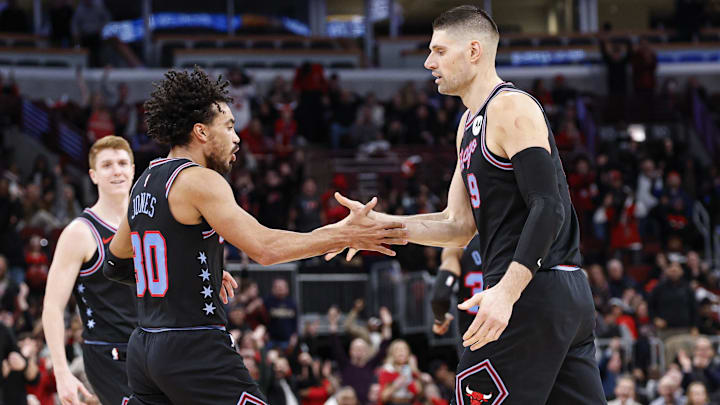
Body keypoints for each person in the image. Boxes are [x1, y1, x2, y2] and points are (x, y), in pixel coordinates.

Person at [328, 6, 604, 404]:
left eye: (439, 51)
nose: (428, 62)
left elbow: (549, 206)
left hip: (530, 292)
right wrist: (379, 225)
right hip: (558, 298)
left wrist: (506, 292)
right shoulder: (467, 124)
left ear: (474, 51)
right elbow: (457, 225)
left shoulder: (511, 106)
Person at [103, 68, 407, 405]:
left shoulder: (144, 181)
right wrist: (342, 235)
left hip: (145, 349)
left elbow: (115, 264)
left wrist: (187, 274)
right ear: (201, 132)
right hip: (192, 346)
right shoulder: (201, 180)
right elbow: (265, 248)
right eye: (229, 126)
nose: (237, 138)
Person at [41, 136, 137, 405]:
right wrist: (61, 372)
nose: (116, 170)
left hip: (155, 349)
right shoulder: (80, 232)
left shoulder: (150, 222)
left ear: (133, 169)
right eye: (107, 165)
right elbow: (52, 307)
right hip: (110, 355)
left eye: (122, 163)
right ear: (93, 175)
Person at [430, 234, 482, 342]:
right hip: (510, 329)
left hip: (471, 334)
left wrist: (440, 319)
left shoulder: (458, 243)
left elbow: (440, 295)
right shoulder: (511, 238)